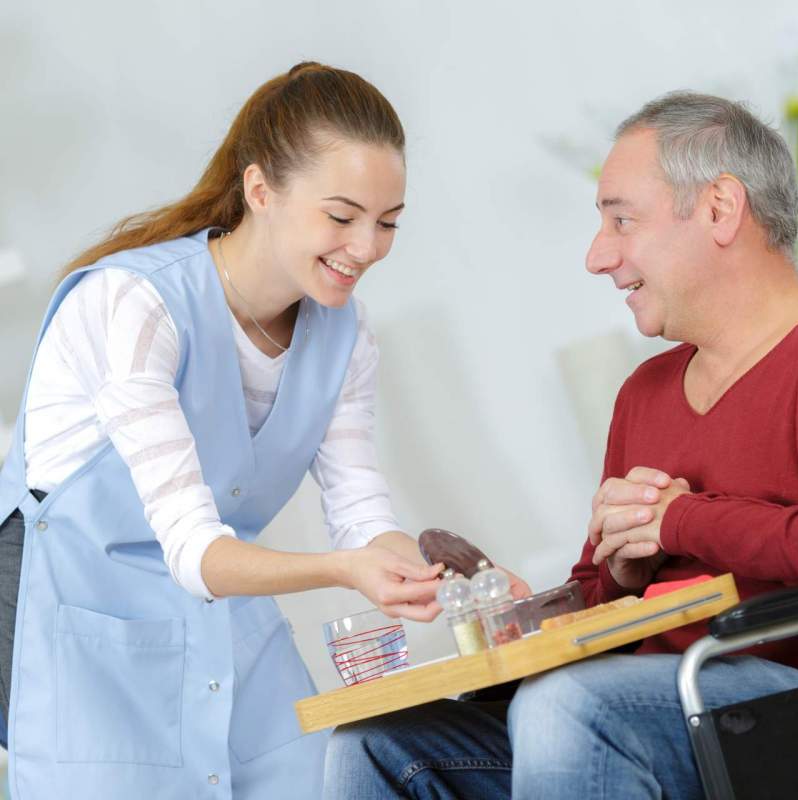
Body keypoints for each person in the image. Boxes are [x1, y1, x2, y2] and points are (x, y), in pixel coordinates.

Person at [321, 91, 798, 799]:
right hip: (665, 714)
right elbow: (608, 595)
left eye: (621, 220)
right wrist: (547, 608)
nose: (598, 257)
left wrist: (685, 520)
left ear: (720, 208)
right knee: (374, 746)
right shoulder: (646, 393)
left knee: (572, 707)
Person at [0, 62, 527, 800]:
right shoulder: (132, 305)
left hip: (229, 630)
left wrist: (468, 589)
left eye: (389, 222)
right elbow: (193, 549)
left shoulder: (343, 336)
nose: (368, 247)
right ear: (260, 191)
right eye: (342, 217)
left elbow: (361, 518)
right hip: (91, 643)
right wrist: (346, 572)